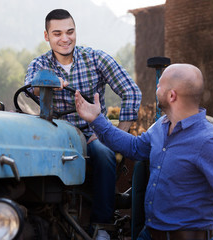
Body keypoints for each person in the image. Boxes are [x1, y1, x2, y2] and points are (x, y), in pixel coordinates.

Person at [74, 63, 213, 240]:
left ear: (172, 95)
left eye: (159, 85)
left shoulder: (209, 142)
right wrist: (97, 119)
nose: (156, 89)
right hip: (150, 233)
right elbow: (134, 147)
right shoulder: (161, 126)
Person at [24, 9, 142, 239]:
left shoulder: (95, 58)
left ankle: (102, 226)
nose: (65, 38)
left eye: (70, 32)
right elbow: (30, 88)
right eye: (57, 33)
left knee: (103, 152)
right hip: (56, 135)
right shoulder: (40, 64)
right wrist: (46, 83)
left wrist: (116, 134)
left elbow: (131, 91)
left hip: (93, 134)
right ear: (47, 36)